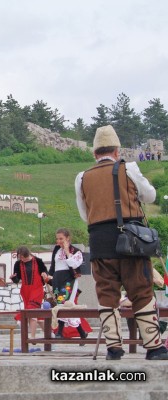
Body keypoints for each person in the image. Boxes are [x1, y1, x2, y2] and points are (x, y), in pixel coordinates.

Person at [75, 125, 168, 360]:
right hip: (131, 243)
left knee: (107, 294)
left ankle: (113, 348)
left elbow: (85, 215)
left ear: (95, 153)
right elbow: (150, 196)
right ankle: (154, 347)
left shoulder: (82, 177)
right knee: (141, 290)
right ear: (117, 151)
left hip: (99, 245)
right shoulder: (130, 169)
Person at [47, 228, 91, 341]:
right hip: (57, 279)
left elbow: (74, 264)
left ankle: (59, 332)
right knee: (64, 304)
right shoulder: (56, 250)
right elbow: (53, 266)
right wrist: (48, 276)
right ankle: (82, 333)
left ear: (67, 238)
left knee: (63, 303)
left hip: (68, 279)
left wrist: (67, 251)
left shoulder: (76, 251)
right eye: (57, 239)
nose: (59, 241)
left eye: (61, 238)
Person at [10, 246, 48, 341]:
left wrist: (44, 274)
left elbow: (44, 271)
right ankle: (50, 334)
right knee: (38, 316)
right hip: (26, 291)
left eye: (24, 257)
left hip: (37, 289)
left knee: (31, 311)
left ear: (28, 255)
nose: (22, 259)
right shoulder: (18, 264)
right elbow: (17, 279)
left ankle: (32, 337)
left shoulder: (38, 261)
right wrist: (13, 278)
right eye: (20, 257)